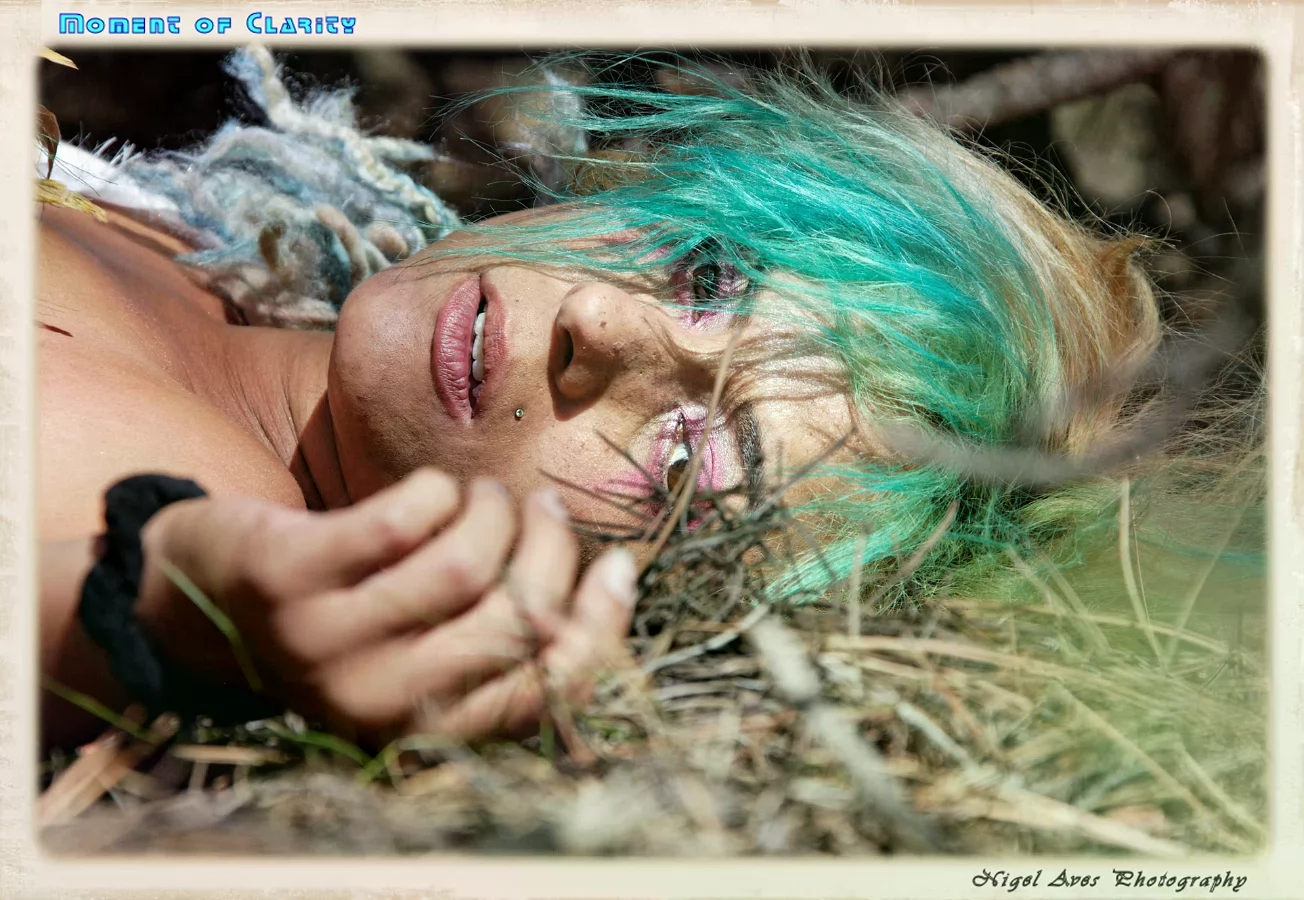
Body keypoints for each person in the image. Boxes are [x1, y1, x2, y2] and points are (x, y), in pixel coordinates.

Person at [38, 49, 1262, 751]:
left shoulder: (173, 512)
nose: (600, 325)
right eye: (709, 274)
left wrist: (172, 601)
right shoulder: (233, 252)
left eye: (688, 457)